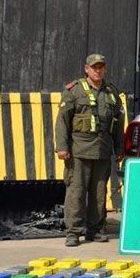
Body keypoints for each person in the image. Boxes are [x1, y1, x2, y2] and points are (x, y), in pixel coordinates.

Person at [55, 53, 125, 247]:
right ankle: (73, 232)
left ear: (105, 69)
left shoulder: (112, 93)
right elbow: (62, 121)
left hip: (102, 151)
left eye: (101, 66)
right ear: (86, 69)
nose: (98, 70)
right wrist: (61, 147)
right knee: (76, 192)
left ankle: (95, 230)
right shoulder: (74, 91)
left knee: (99, 193)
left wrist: (119, 148)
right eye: (94, 67)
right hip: (78, 151)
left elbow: (118, 124)